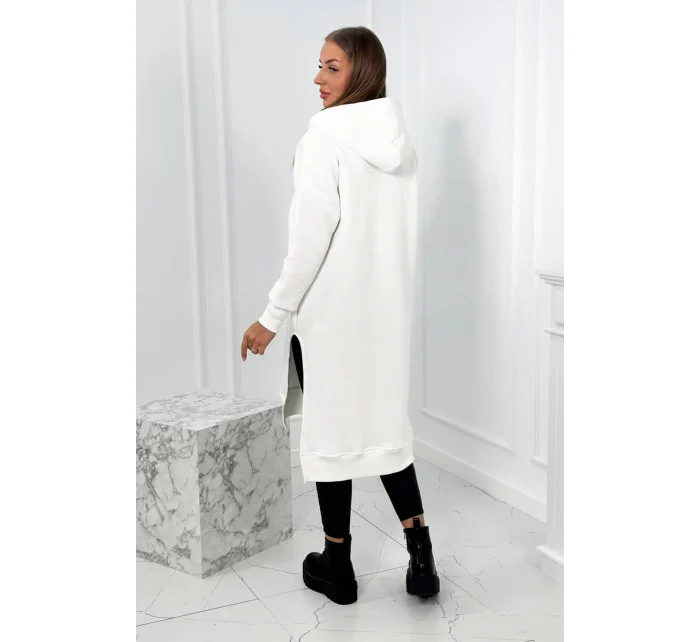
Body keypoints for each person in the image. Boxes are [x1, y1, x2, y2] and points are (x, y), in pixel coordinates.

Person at [240, 26, 439, 605]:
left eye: (332, 67)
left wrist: (272, 316)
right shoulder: (399, 142)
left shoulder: (325, 136)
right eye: (319, 66)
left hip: (331, 317)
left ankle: (338, 563)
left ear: (362, 72)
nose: (317, 78)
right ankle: (421, 557)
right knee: (385, 429)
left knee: (330, 435)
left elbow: (309, 240)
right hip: (385, 316)